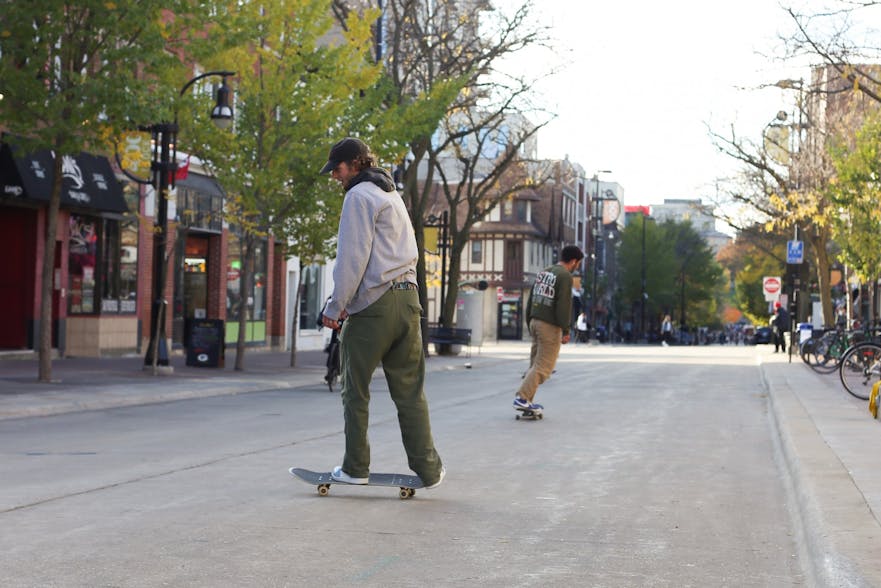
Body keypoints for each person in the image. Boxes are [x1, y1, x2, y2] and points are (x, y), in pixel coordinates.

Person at [318, 137, 445, 489]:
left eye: (338, 169)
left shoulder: (358, 196)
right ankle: (429, 468)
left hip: (376, 306)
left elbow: (352, 258)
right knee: (410, 391)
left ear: (355, 163)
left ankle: (355, 468)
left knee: (355, 390)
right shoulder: (391, 193)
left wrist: (335, 306)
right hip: (409, 300)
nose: (334, 177)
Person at [514, 245, 584, 412]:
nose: (577, 267)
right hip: (549, 325)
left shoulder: (545, 271)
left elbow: (531, 298)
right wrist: (566, 331)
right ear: (573, 261)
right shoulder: (565, 276)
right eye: (578, 263)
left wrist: (529, 321)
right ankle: (522, 398)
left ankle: (527, 401)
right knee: (544, 366)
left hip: (535, 321)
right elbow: (563, 305)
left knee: (534, 363)